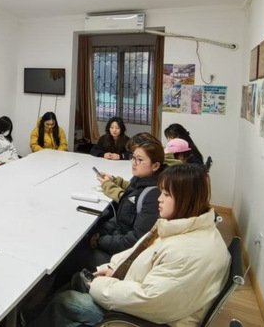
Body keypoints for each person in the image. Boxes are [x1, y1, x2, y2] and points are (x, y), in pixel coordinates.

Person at [31, 164, 230, 327]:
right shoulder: (182, 227)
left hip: (144, 319)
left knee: (64, 302)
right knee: (79, 278)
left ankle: (37, 319)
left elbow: (150, 301)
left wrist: (100, 285)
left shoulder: (188, 252)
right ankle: (37, 314)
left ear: (187, 200)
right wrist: (113, 268)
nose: (159, 199)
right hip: (140, 293)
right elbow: (139, 252)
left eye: (166, 194)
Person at [88, 135, 165, 264]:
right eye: (133, 157)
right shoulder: (141, 179)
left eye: (139, 160)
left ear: (155, 166)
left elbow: (135, 241)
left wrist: (100, 240)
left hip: (125, 257)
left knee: (74, 257)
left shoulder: (153, 196)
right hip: (120, 235)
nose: (133, 163)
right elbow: (123, 217)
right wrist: (100, 233)